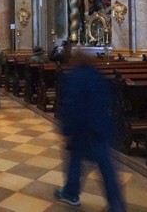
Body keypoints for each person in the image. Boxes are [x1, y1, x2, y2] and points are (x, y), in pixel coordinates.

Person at [53, 53, 126, 212]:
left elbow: (72, 105)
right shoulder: (97, 75)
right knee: (105, 166)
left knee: (76, 162)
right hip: (100, 126)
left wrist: (66, 130)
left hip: (82, 129)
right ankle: (116, 204)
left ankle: (72, 193)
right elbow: (108, 100)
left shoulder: (75, 77)